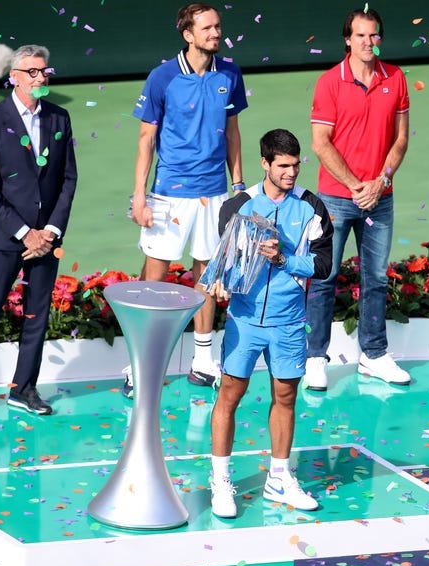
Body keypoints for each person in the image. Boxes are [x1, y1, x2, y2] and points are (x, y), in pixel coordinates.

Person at [206, 129, 334, 519]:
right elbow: (225, 260)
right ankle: (221, 480)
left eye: (296, 165)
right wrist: (220, 283)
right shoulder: (237, 206)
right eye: (283, 166)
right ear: (265, 163)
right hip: (244, 320)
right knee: (230, 394)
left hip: (288, 321)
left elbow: (325, 266)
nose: (291, 173)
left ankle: (279, 479)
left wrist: (284, 261)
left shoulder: (312, 208)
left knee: (286, 397)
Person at [125, 2, 248, 397]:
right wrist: (139, 197)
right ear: (188, 34)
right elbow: (146, 140)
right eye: (208, 28)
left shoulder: (230, 73)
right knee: (154, 280)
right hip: (168, 195)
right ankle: (140, 361)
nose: (216, 33)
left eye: (218, 26)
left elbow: (232, 132)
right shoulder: (162, 78)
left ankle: (201, 359)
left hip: (212, 193)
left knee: (207, 277)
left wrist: (239, 186)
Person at [0, 44, 78, 420]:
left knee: (36, 317)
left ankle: (23, 389)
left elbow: (68, 180)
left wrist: (50, 231)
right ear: (13, 77)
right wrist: (26, 232)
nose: (41, 77)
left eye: (44, 71)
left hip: (46, 240)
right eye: (33, 72)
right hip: (5, 240)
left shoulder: (60, 118)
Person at [305, 7, 411, 391]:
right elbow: (321, 144)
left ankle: (374, 355)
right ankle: (315, 358)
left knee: (377, 278)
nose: (369, 43)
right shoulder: (329, 83)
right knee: (322, 278)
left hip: (380, 197)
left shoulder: (396, 78)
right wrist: (355, 185)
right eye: (361, 36)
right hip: (335, 198)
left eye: (374, 35)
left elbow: (400, 139)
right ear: (348, 39)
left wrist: (380, 181)